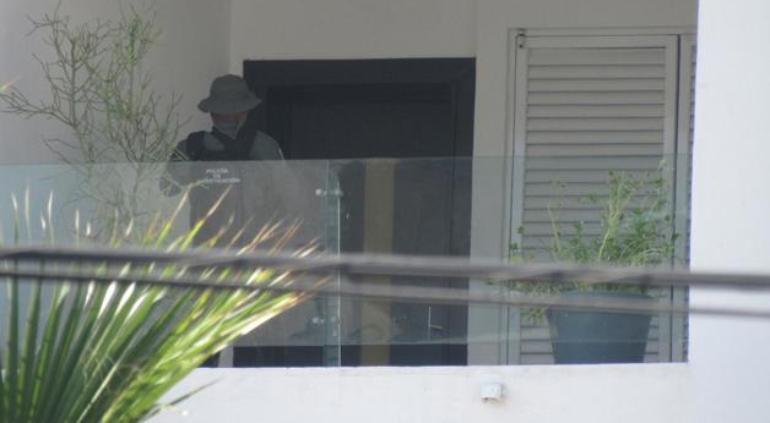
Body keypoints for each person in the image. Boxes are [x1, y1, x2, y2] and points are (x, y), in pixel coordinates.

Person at [162, 74, 293, 248]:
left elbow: (168, 188)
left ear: (212, 112)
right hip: (257, 249)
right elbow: (289, 195)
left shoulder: (191, 147)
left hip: (209, 251)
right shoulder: (264, 146)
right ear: (244, 111)